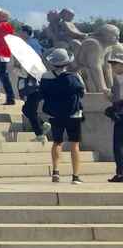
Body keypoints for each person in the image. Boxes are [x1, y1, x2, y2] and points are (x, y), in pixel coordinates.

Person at [38, 47, 86, 184]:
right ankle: (75, 176)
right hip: (73, 114)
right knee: (74, 144)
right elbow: (82, 93)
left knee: (57, 142)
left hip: (55, 115)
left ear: (53, 63)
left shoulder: (45, 77)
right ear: (67, 63)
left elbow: (42, 94)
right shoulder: (74, 77)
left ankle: (55, 172)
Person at [18, 23, 47, 140]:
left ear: (26, 33)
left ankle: (39, 134)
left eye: (21, 32)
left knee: (30, 110)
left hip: (34, 82)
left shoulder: (30, 44)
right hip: (33, 81)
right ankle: (43, 125)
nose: (20, 34)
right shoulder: (33, 43)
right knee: (27, 109)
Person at [106, 45, 123, 183]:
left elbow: (118, 99)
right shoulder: (118, 79)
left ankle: (121, 174)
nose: (113, 67)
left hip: (121, 115)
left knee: (118, 145)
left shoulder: (119, 79)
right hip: (119, 113)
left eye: (115, 64)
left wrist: (110, 97)